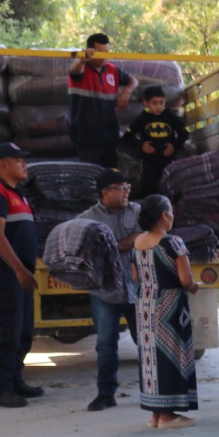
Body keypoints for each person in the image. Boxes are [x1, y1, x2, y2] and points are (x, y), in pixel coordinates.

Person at [0, 142, 41, 409]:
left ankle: (16, 380)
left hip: (19, 276)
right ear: (3, 164)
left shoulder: (18, 194)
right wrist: (18, 269)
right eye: (19, 160)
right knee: (6, 331)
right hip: (5, 276)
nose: (25, 165)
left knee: (22, 331)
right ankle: (1, 389)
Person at [130, 194, 199, 430]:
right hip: (170, 306)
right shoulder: (173, 242)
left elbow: (136, 277)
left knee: (152, 358)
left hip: (145, 306)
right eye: (171, 211)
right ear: (164, 215)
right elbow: (185, 279)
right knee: (172, 355)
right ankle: (168, 416)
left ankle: (156, 415)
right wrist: (194, 286)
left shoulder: (137, 243)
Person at [79, 169, 141, 411]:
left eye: (127, 186)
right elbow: (84, 248)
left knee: (146, 341)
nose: (126, 191)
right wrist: (128, 242)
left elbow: (146, 235)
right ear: (105, 193)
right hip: (103, 291)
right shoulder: (86, 218)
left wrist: (116, 245)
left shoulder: (138, 211)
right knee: (105, 343)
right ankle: (105, 394)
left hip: (136, 288)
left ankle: (153, 390)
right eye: (120, 187)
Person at [68, 33, 135, 168]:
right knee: (92, 175)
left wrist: (126, 92)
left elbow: (134, 80)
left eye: (106, 52)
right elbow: (74, 70)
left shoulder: (112, 70)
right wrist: (82, 59)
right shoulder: (81, 69)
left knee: (111, 176)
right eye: (99, 53)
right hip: (86, 136)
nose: (103, 57)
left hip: (109, 134)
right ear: (90, 51)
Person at [125, 86, 186, 197]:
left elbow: (184, 133)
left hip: (168, 159)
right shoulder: (142, 119)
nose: (159, 106)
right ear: (146, 103)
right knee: (149, 187)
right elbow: (128, 136)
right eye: (154, 103)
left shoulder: (171, 117)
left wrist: (174, 146)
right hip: (149, 161)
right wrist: (141, 145)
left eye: (161, 102)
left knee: (170, 186)